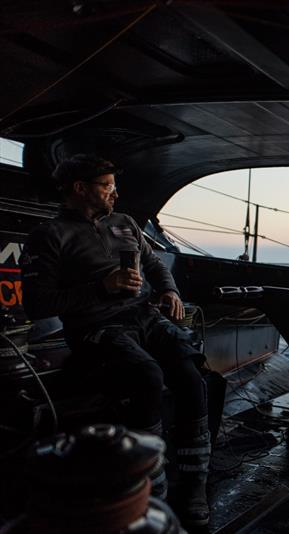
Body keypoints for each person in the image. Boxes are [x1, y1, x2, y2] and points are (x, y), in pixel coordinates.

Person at [20, 154, 210, 527]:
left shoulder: (125, 223)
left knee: (191, 378)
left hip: (145, 318)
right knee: (148, 376)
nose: (114, 192)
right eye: (106, 186)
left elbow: (154, 264)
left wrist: (169, 291)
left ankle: (194, 486)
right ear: (80, 189)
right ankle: (152, 491)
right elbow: (37, 304)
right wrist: (100, 287)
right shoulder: (50, 236)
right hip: (97, 327)